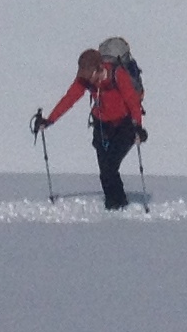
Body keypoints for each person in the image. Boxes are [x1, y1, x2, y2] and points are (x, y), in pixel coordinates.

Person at [34, 41, 146, 209]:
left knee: (110, 167)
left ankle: (118, 206)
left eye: (89, 74)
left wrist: (137, 126)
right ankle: (114, 205)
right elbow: (69, 99)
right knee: (105, 170)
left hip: (124, 125)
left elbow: (133, 102)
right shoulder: (85, 80)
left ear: (100, 68)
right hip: (101, 125)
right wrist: (49, 120)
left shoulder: (118, 74)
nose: (87, 79)